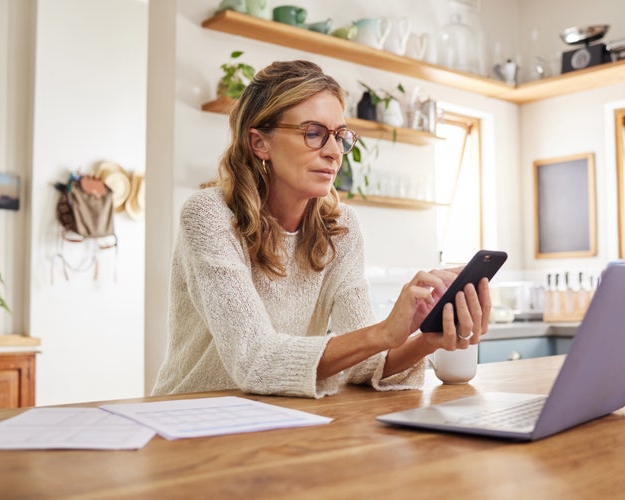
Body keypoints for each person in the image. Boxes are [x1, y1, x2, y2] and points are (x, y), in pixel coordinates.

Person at [152, 60, 491, 398]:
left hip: (275, 420)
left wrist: (426, 338)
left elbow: (362, 365)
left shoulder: (340, 228)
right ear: (259, 143)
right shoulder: (210, 216)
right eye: (313, 133)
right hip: (188, 418)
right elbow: (257, 361)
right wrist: (386, 331)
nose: (333, 152)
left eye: (340, 136)